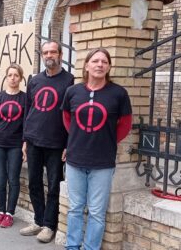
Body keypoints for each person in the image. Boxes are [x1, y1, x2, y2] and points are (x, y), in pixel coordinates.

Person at [61, 48, 132, 250]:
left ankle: (90, 247)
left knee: (96, 212)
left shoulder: (119, 93)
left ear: (109, 66)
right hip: (75, 159)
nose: (100, 64)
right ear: (86, 66)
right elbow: (67, 118)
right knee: (74, 208)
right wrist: (77, 137)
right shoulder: (73, 92)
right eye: (95, 61)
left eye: (104, 61)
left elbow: (125, 124)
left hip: (102, 163)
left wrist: (107, 140)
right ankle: (72, 246)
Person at [20, 41, 74, 242]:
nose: (49, 55)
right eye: (45, 52)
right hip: (33, 139)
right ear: (42, 55)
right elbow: (28, 110)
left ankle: (50, 225)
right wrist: (24, 139)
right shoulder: (34, 80)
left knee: (53, 185)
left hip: (56, 142)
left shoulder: (69, 80)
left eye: (53, 51)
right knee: (34, 182)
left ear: (60, 54)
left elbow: (71, 115)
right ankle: (38, 220)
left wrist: (68, 143)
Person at [0, 63, 26, 228]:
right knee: (1, 179)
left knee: (13, 179)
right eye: (10, 75)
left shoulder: (25, 98)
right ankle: (1, 211)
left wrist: (25, 145)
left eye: (16, 75)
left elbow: (27, 124)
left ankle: (10, 213)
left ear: (21, 78)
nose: (13, 78)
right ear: (6, 77)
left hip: (16, 145)